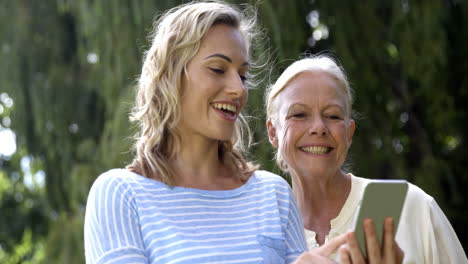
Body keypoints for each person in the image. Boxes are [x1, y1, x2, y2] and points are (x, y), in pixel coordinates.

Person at [265, 55, 468, 263]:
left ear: (349, 133)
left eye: (333, 116)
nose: (319, 127)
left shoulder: (409, 207)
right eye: (299, 115)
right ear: (273, 132)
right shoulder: (259, 235)